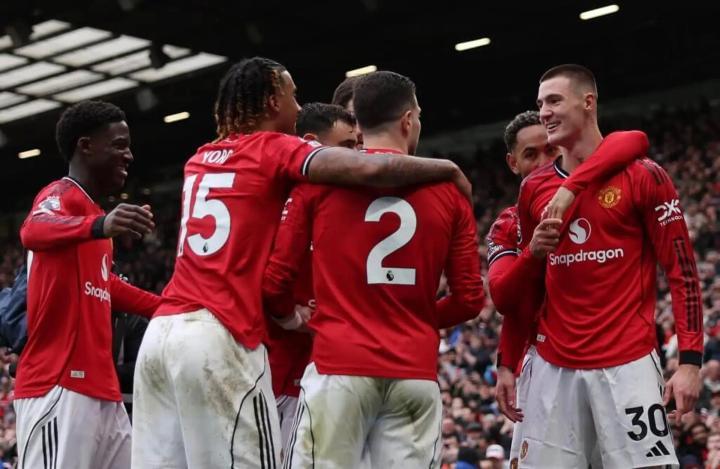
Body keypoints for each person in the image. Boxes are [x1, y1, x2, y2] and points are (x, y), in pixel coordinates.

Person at [131, 57, 472, 469]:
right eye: (293, 96)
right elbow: (369, 168)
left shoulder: (199, 157)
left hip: (162, 333)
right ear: (274, 101)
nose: (298, 107)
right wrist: (447, 168)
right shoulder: (276, 148)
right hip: (220, 333)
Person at [262, 70, 484, 468]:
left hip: (338, 367)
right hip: (413, 371)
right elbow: (469, 299)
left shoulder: (318, 182)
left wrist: (296, 319)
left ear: (359, 126)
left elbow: (276, 281)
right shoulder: (450, 191)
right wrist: (414, 319)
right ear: (408, 120)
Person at [509, 64, 702, 467]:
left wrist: (689, 363)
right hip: (552, 365)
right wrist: (507, 362)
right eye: (540, 103)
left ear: (588, 102)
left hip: (628, 363)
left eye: (554, 101)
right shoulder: (532, 189)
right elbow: (527, 288)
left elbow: (682, 273)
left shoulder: (644, 176)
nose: (544, 112)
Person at [488, 111, 649, 466]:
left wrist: (570, 187)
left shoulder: (599, 195)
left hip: (616, 357)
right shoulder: (508, 224)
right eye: (531, 155)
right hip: (550, 363)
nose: (544, 162)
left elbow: (635, 139)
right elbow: (505, 298)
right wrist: (507, 362)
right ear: (513, 164)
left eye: (551, 150)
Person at [15, 100, 161, 469]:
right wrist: (100, 226)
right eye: (119, 145)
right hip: (58, 385)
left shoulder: (94, 217)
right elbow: (32, 230)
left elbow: (106, 287)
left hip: (103, 392)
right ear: (86, 146)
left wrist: (173, 306)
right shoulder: (60, 194)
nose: (129, 155)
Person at [265, 102, 358, 453]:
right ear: (311, 143)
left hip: (320, 371)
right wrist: (292, 318)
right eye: (347, 145)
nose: (357, 154)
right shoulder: (287, 197)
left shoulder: (344, 200)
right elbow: (271, 284)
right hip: (278, 372)